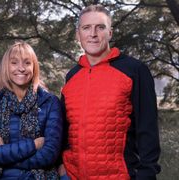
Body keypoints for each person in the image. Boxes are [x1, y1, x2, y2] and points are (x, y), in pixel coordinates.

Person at [59, 4, 161, 180]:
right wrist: (61, 167)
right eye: (86, 28)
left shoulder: (134, 70)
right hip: (73, 175)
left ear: (110, 33)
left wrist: (146, 174)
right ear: (78, 34)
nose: (93, 34)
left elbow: (148, 129)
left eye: (100, 27)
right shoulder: (72, 76)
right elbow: (65, 127)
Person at [0, 41, 62, 179]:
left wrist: (5, 154)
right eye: (14, 63)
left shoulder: (50, 102)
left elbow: (49, 155)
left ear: (34, 67)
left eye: (27, 63)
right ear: (6, 67)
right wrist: (34, 144)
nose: (21, 68)